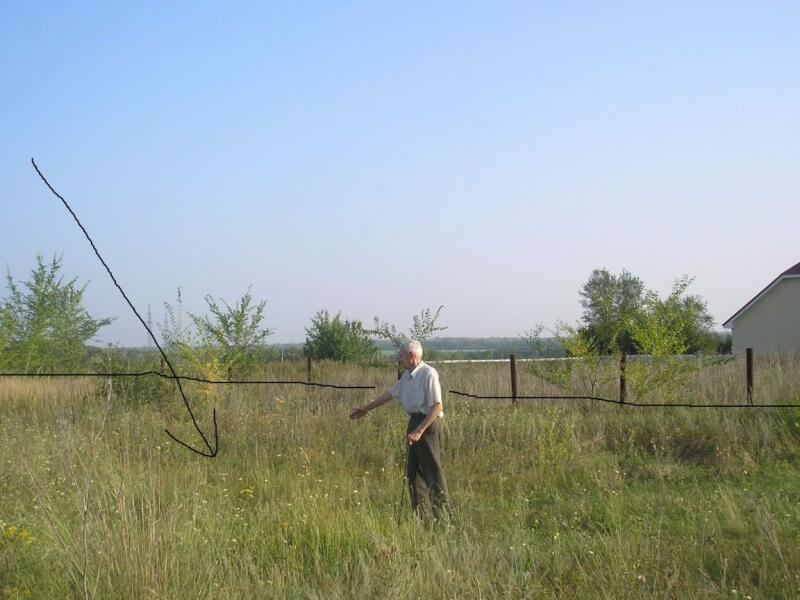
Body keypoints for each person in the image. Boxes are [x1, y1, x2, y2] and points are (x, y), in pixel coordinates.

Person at [350, 339, 451, 520]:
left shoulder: (429, 374)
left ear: (412, 357)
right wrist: (365, 408)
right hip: (413, 423)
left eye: (401, 356)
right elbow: (389, 394)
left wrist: (420, 430)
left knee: (432, 473)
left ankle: (445, 519)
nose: (399, 359)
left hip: (427, 426)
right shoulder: (406, 376)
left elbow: (437, 407)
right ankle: (423, 520)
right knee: (412, 475)